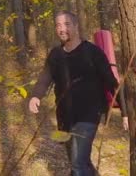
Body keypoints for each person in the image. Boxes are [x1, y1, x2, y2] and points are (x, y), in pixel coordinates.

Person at [28, 10, 128, 176]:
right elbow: (45, 78)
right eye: (58, 25)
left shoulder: (92, 52)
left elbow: (112, 82)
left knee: (77, 165)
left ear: (76, 26)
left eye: (66, 24)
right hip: (65, 116)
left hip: (89, 115)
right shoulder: (55, 54)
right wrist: (35, 96)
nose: (62, 29)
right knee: (82, 162)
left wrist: (126, 112)